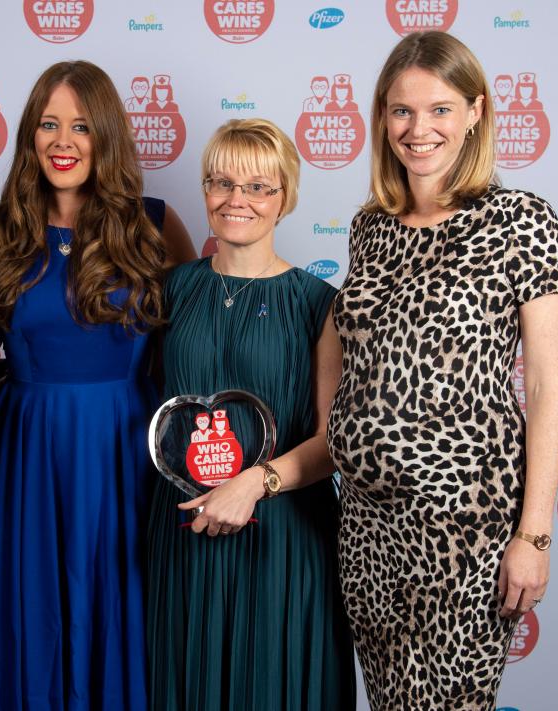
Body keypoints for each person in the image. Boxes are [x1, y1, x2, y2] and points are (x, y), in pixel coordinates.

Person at [327, 31, 558, 708]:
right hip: (369, 526)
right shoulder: (370, 228)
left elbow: (548, 389)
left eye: (439, 109)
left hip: (464, 526)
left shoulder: (522, 221)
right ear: (382, 117)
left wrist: (533, 535)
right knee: (389, 700)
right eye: (402, 110)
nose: (418, 128)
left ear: (475, 112)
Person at [0, 60, 195, 710]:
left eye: (81, 125)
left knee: (119, 602)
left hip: (126, 450)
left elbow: (182, 356)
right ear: (30, 136)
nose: (62, 141)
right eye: (48, 124)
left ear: (107, 136)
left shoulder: (154, 225)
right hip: (26, 458)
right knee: (29, 605)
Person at [146, 118, 356, 710]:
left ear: (285, 198)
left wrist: (252, 486)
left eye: (259, 187)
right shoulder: (170, 290)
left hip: (285, 536)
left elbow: (331, 441)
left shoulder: (320, 303)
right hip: (183, 526)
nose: (237, 199)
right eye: (221, 182)